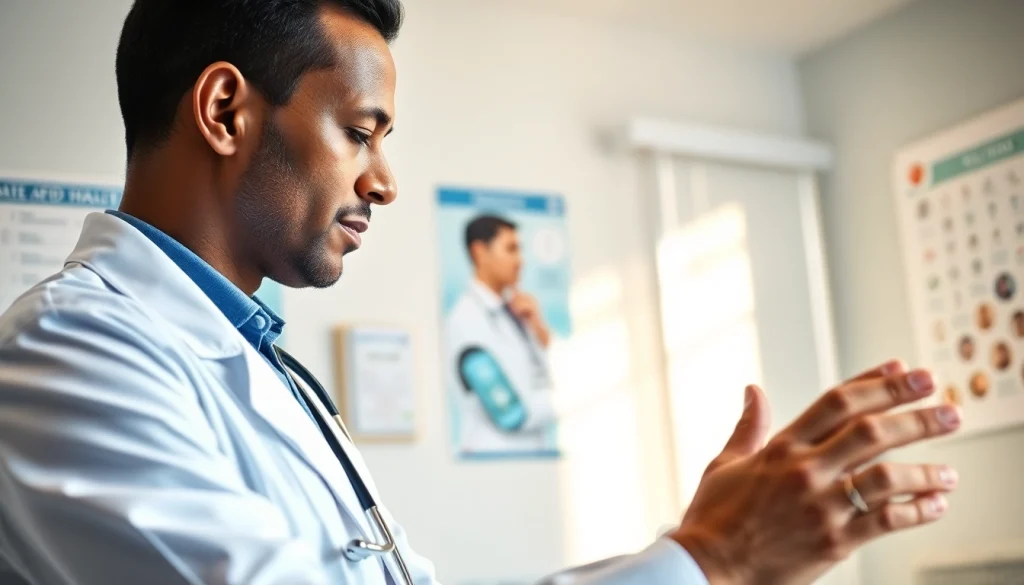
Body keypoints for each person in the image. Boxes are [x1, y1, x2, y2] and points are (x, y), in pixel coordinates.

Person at [0, 2, 962, 585]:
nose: (384, 179)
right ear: (224, 111)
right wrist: (715, 556)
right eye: (362, 130)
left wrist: (687, 549)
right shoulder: (66, 351)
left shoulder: (255, 359)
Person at [443, 214, 557, 454]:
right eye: (511, 249)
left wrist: (537, 324)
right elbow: (510, 414)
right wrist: (569, 395)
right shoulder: (465, 320)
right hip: (493, 456)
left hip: (527, 456)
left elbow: (545, 371)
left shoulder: (516, 312)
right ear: (479, 252)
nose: (521, 261)